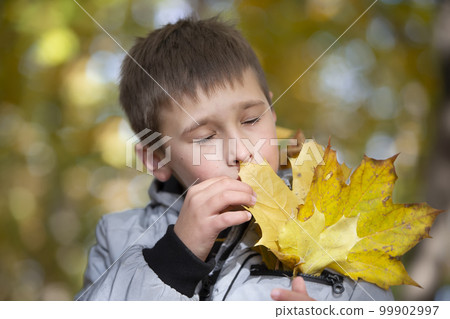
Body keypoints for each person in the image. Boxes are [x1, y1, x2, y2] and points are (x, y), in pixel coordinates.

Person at [76, 16, 394, 301]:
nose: (242, 152)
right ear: (157, 158)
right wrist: (173, 262)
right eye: (205, 137)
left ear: (271, 110)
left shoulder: (339, 224)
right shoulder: (118, 238)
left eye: (252, 120)